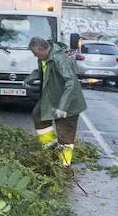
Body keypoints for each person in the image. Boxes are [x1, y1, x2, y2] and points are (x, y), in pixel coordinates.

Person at [28, 35, 86, 167]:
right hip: (54, 98)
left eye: (35, 53)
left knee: (65, 133)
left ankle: (64, 164)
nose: (34, 56)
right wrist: (31, 77)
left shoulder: (60, 59)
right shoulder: (45, 58)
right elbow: (44, 71)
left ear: (42, 49)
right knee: (38, 114)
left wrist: (63, 107)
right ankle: (50, 145)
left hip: (69, 103)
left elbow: (71, 83)